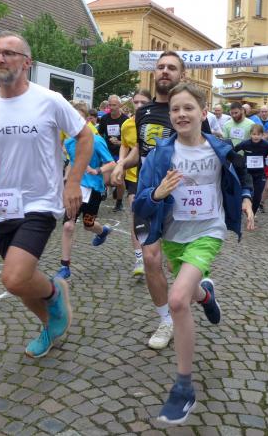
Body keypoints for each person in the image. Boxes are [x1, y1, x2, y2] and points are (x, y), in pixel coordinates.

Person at [0, 32, 93, 358]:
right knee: (20, 283)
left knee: (13, 277)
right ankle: (50, 326)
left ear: (26, 62)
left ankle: (54, 294)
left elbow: (85, 136)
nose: (0, 58)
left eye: (9, 53)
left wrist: (72, 182)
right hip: (4, 205)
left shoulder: (49, 99)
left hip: (41, 202)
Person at [132, 82, 254, 424]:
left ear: (203, 112)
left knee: (177, 300)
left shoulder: (221, 150)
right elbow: (141, 202)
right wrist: (156, 193)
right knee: (190, 290)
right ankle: (206, 295)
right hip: (174, 235)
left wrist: (246, 200)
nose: (181, 114)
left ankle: (183, 387)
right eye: (175, 109)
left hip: (208, 231)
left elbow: (243, 177)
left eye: (188, 108)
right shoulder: (160, 154)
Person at [110, 51, 213, 351]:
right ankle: (166, 320)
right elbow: (140, 150)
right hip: (149, 196)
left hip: (182, 200)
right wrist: (122, 164)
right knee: (151, 259)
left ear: (182, 75)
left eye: (172, 68)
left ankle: (202, 293)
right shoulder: (142, 112)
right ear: (154, 73)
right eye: (161, 67)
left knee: (175, 265)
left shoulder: (188, 110)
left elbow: (207, 151)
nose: (165, 71)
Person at [58, 101, 116, 280]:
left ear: (86, 120)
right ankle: (65, 266)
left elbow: (111, 163)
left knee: (88, 224)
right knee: (68, 225)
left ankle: (102, 231)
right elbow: (72, 162)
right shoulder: (69, 142)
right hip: (75, 187)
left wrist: (97, 170)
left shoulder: (96, 141)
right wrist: (66, 177)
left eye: (79, 119)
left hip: (93, 189)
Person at [120, 89, 152, 276]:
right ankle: (139, 259)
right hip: (133, 176)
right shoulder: (127, 124)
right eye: (136, 102)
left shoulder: (155, 120)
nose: (139, 106)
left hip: (154, 177)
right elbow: (126, 145)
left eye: (143, 102)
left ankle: (154, 252)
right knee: (135, 215)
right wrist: (121, 163)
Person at [235, 124, 268, 216]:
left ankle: (252, 213)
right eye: (254, 134)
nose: (256, 136)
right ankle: (240, 211)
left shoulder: (267, 145)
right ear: (250, 134)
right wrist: (239, 161)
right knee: (244, 193)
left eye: (258, 134)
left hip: (260, 174)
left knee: (257, 196)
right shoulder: (245, 143)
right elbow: (234, 150)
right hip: (247, 174)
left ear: (262, 135)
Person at [97, 94, 128, 211]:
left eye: (114, 105)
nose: (111, 107)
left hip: (121, 153)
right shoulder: (105, 119)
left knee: (119, 179)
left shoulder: (125, 120)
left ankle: (119, 202)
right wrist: (101, 145)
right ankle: (106, 190)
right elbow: (99, 134)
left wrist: (119, 142)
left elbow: (129, 141)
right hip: (108, 152)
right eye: (110, 105)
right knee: (106, 179)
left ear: (119, 105)